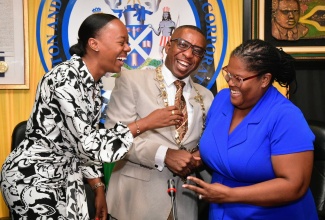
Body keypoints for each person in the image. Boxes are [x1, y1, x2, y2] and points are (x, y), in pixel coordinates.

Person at [0, 13, 183, 220]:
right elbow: (90, 143)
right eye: (121, 42)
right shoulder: (65, 79)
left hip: (66, 178)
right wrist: (146, 123)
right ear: (94, 44)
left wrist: (97, 187)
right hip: (34, 179)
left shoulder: (93, 85)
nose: (128, 49)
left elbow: (81, 145)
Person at [182, 39, 318, 219]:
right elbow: (224, 147)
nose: (230, 82)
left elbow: (295, 185)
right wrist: (196, 158)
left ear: (265, 79)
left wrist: (229, 195)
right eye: (228, 74)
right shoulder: (222, 99)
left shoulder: (286, 116)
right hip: (223, 212)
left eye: (238, 78)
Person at [105, 25, 214, 220]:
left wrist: (200, 156)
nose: (188, 54)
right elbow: (114, 138)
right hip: (135, 203)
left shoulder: (206, 96)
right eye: (183, 44)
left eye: (197, 51)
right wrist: (164, 155)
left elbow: (207, 142)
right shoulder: (131, 80)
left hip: (184, 203)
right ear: (167, 45)